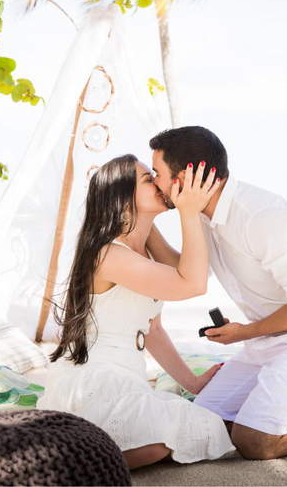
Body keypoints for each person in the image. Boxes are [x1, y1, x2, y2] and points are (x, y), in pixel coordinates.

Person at [147, 125, 287, 460]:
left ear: (188, 176)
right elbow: (188, 274)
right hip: (271, 337)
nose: (155, 183)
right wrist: (142, 223)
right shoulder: (203, 214)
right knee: (201, 425)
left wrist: (242, 333)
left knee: (254, 441)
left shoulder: (263, 216)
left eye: (157, 174)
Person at [37, 154, 236, 469]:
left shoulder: (144, 250)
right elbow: (192, 284)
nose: (159, 182)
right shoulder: (107, 253)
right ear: (123, 197)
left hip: (129, 376)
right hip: (93, 373)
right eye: (148, 179)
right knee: (157, 442)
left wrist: (193, 384)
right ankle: (55, 460)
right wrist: (188, 211)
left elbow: (154, 329)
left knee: (206, 424)